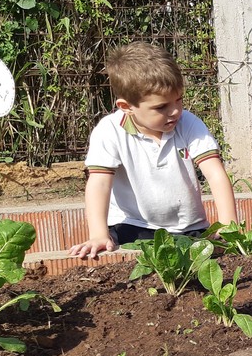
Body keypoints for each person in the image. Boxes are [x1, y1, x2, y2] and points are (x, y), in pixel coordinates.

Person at [69, 42, 237, 259]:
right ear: (126, 107)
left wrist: (228, 225)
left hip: (189, 228)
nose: (175, 111)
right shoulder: (109, 131)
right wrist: (98, 234)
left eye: (179, 99)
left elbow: (215, 174)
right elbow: (99, 183)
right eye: (161, 107)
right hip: (133, 227)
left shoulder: (189, 123)